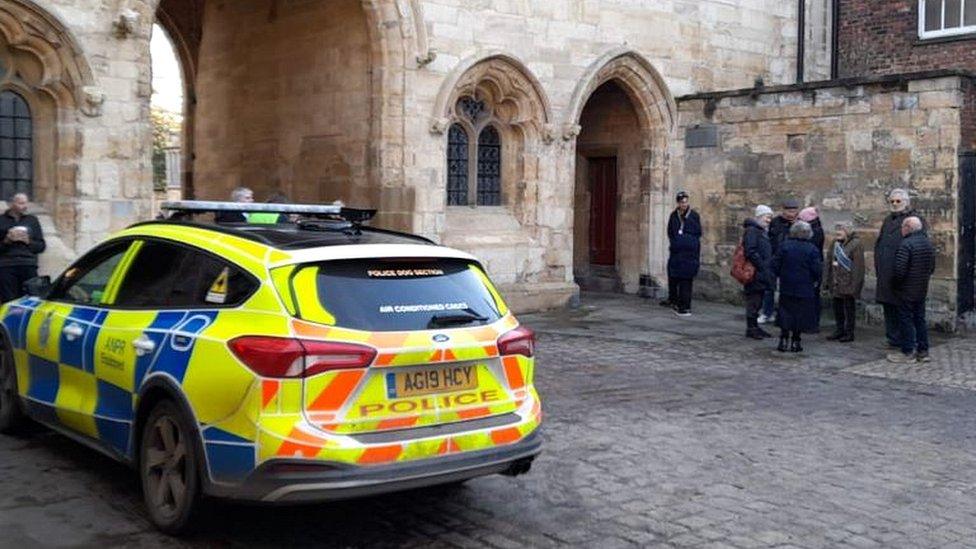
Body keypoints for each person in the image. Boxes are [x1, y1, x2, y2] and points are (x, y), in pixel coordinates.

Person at [875, 189, 926, 349]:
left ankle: (907, 341)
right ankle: (893, 338)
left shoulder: (914, 220)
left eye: (898, 201)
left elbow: (919, 247)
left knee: (903, 311)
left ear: (906, 202)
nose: (895, 204)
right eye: (892, 201)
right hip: (885, 273)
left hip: (902, 274)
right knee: (889, 307)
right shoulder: (888, 220)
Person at [887, 216, 935, 364]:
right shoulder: (927, 243)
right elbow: (931, 268)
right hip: (921, 288)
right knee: (920, 319)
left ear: (907, 228)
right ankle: (923, 350)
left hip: (906, 289)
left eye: (902, 227)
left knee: (906, 320)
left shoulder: (906, 244)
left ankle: (908, 351)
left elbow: (900, 270)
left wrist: (895, 284)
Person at [772, 221, 823, 353]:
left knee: (785, 312)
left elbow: (775, 265)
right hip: (804, 286)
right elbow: (817, 269)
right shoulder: (811, 249)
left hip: (787, 284)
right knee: (799, 314)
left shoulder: (785, 246)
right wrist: (816, 280)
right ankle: (796, 341)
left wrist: (780, 276)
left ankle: (783, 340)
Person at [659, 190, 702, 316]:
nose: (684, 204)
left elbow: (697, 232)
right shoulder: (674, 215)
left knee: (685, 279)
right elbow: (670, 231)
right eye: (681, 202)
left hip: (689, 254)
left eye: (685, 202)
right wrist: (675, 242)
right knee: (673, 275)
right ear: (678, 203)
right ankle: (673, 299)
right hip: (676, 252)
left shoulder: (693, 216)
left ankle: (684, 306)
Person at [0, 193, 46, 303]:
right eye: (21, 203)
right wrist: (7, 241)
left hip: (28, 264)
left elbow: (41, 246)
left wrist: (28, 241)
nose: (24, 206)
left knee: (31, 299)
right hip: (7, 265)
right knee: (9, 301)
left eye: (26, 203)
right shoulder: (1, 221)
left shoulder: (32, 220)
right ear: (12, 204)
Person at [760, 198, 800, 324]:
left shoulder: (799, 224)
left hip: (790, 260)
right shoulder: (776, 222)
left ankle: (784, 314)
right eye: (789, 211)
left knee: (787, 288)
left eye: (793, 211)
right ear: (784, 210)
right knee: (769, 287)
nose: (791, 214)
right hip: (775, 257)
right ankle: (767, 312)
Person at [824, 221, 865, 343]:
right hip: (836, 281)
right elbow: (828, 262)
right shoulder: (835, 243)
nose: (837, 232)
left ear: (848, 231)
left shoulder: (856, 244)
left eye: (840, 230)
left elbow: (858, 267)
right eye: (836, 230)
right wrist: (826, 280)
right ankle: (839, 329)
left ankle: (849, 332)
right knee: (837, 308)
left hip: (848, 282)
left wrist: (855, 285)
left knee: (849, 309)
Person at [743, 205, 774, 339]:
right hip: (755, 272)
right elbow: (750, 251)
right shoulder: (752, 231)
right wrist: (761, 265)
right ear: (760, 216)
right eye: (767, 217)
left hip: (761, 271)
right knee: (754, 300)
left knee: (758, 299)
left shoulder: (760, 231)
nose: (769, 220)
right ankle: (751, 328)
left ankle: (755, 326)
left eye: (770, 217)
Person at [798, 206, 825, 332]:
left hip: (811, 269)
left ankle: (811, 324)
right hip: (811, 267)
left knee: (812, 297)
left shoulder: (815, 233)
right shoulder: (817, 230)